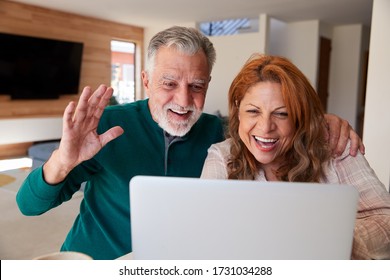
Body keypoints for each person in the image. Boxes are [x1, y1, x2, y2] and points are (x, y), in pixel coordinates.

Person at [17, 26, 363, 260]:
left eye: (197, 86)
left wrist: (318, 124)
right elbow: (27, 206)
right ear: (146, 80)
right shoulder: (106, 126)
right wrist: (61, 161)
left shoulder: (224, 136)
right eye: (169, 83)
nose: (183, 100)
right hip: (98, 262)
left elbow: (267, 128)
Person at [200, 54, 390, 260]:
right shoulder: (221, 157)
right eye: (253, 111)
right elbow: (207, 235)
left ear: (300, 115)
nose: (265, 127)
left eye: (282, 114)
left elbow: (384, 220)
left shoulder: (336, 147)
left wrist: (334, 241)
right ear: (238, 112)